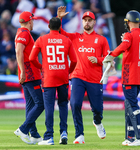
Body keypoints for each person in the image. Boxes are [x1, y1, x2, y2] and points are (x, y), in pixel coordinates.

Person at [57, 6, 110, 144]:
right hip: (77, 76)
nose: (87, 22)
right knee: (75, 104)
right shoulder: (75, 37)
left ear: (94, 22)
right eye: (85, 20)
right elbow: (60, 32)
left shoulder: (102, 40)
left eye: (89, 20)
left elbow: (109, 58)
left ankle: (97, 122)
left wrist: (98, 59)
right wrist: (59, 19)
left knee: (97, 109)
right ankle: (79, 135)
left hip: (95, 79)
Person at [103, 10, 140, 146]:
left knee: (132, 105)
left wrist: (110, 55)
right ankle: (130, 137)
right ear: (139, 22)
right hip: (139, 76)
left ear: (128, 22)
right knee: (129, 104)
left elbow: (124, 46)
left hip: (129, 75)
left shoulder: (129, 36)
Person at [29, 17, 77, 145]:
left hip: (48, 76)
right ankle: (64, 133)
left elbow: (31, 58)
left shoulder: (41, 39)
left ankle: (49, 136)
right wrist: (68, 71)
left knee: (49, 106)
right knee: (63, 104)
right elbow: (74, 60)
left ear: (48, 26)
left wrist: (42, 67)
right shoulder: (66, 40)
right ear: (60, 26)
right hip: (63, 76)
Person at [13, 11, 44, 145]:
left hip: (29, 73)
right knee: (40, 104)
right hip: (30, 74)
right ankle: (23, 129)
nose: (34, 23)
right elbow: (19, 51)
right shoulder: (24, 34)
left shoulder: (21, 33)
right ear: (30, 21)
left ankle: (35, 135)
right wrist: (23, 72)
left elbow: (20, 51)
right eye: (33, 20)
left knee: (30, 105)